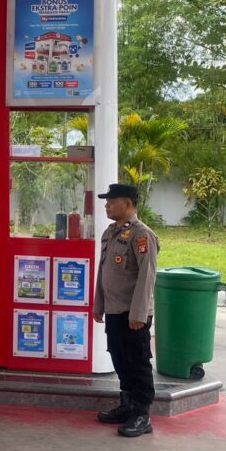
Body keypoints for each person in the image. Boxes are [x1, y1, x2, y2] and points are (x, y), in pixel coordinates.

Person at [93, 183, 160, 438]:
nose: (107, 205)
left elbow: (147, 277)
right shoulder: (111, 233)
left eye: (112, 201)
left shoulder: (142, 235)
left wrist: (138, 314)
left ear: (128, 204)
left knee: (137, 363)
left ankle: (142, 414)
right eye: (107, 201)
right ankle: (128, 405)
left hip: (133, 314)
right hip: (114, 310)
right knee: (120, 359)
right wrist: (99, 305)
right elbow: (104, 272)